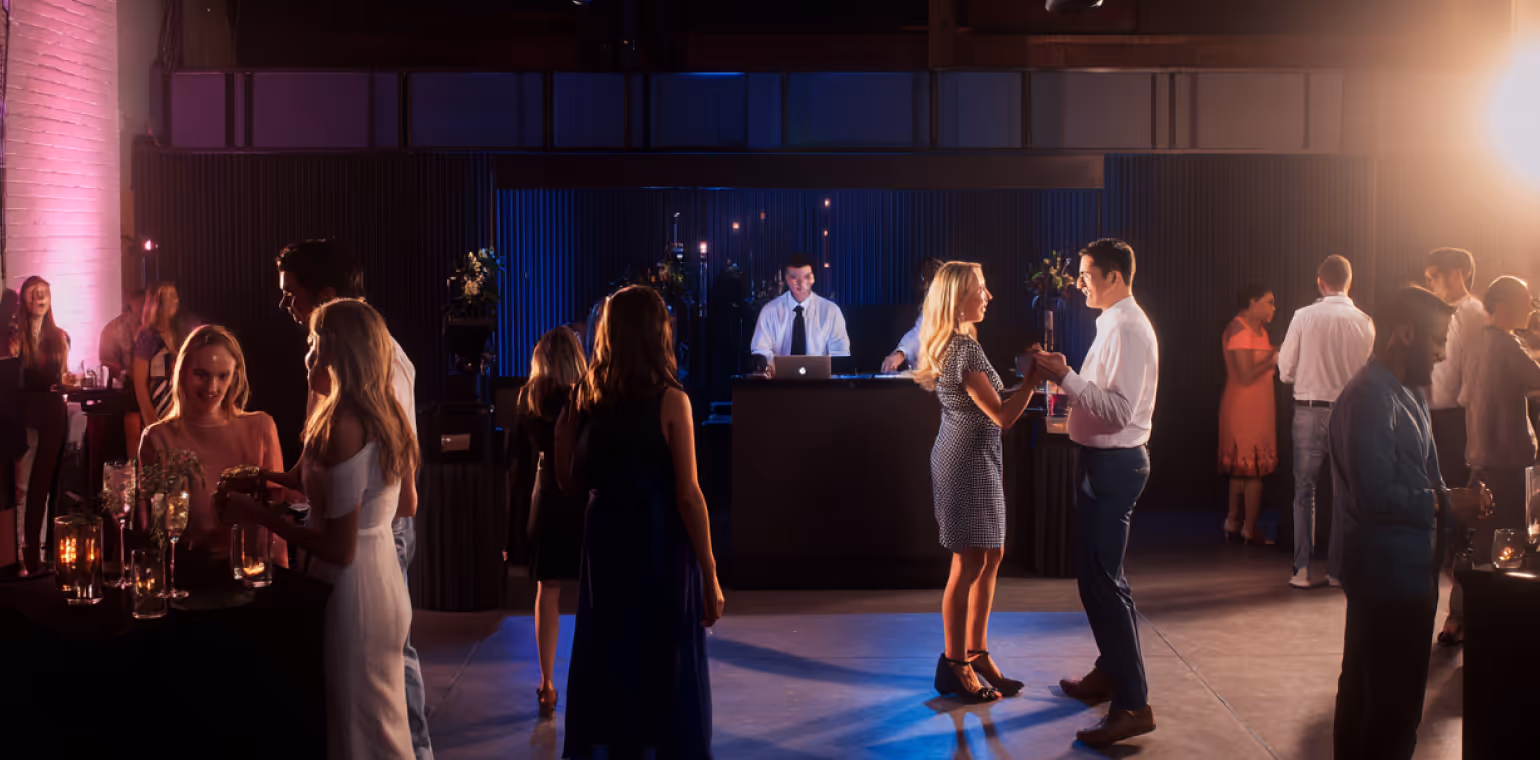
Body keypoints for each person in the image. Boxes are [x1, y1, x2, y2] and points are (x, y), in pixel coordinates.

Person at [216, 299, 418, 759]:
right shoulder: (386, 414)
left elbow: (338, 547)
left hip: (354, 590)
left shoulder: (345, 423)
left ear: (335, 352)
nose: (306, 354)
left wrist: (256, 514)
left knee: (358, 730)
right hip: (385, 574)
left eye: (312, 343)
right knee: (382, 720)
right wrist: (263, 477)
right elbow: (406, 502)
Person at [275, 238, 432, 760]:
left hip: (372, 541)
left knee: (383, 697)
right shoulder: (339, 383)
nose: (287, 308)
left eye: (292, 294)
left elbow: (401, 490)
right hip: (358, 541)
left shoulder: (381, 370)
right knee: (359, 707)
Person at [555, 285, 723, 759]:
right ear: (656, 334)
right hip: (657, 541)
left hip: (604, 536)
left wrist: (560, 436)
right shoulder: (672, 400)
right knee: (663, 652)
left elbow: (569, 483)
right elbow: (689, 497)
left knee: (609, 649)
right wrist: (710, 574)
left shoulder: (583, 397)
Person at [1328, 286, 1490, 760]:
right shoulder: (1368, 398)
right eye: (1437, 340)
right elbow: (1374, 496)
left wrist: (1457, 504)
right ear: (1404, 333)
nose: (1442, 353)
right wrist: (1445, 504)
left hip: (1411, 574)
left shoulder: (1408, 393)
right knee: (1387, 711)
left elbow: (1428, 477)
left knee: (1379, 699)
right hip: (1385, 578)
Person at [1034, 239, 1160, 748]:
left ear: (1113, 276)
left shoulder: (1129, 326)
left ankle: (1132, 704)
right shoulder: (1114, 322)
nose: (1078, 282)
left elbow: (1120, 411)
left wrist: (1064, 376)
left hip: (1113, 465)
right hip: (1101, 462)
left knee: (1105, 584)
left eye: (1086, 274)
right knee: (1096, 580)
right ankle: (1110, 675)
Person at [913, 262, 1037, 702]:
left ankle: (976, 650)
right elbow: (1001, 416)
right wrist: (1033, 382)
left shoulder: (963, 343)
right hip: (964, 462)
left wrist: (1024, 385)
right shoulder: (962, 349)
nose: (988, 296)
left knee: (992, 554)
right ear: (957, 298)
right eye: (979, 290)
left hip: (976, 459)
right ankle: (955, 664)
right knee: (968, 563)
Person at [138, 325, 287, 566]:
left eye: (222, 376)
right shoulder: (157, 438)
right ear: (182, 371)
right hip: (188, 575)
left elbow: (276, 520)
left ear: (235, 376)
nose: (211, 388)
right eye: (201, 374)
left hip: (251, 572)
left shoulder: (260, 427)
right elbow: (151, 530)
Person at [1445, 277, 1540, 644]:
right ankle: (1494, 622)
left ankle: (1457, 619)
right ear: (1503, 305)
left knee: (1474, 542)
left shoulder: (1476, 344)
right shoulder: (1506, 345)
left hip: (1480, 457)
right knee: (1507, 545)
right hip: (1509, 462)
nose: (1531, 309)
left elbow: (1466, 396)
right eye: (1525, 302)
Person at [1277, 255, 1374, 589]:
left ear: (1320, 281)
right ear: (1350, 282)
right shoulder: (1365, 321)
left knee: (1305, 490)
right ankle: (1337, 571)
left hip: (1309, 408)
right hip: (1350, 412)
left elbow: (1285, 370)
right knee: (1344, 493)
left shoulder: (1304, 316)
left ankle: (1303, 569)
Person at [512, 326, 588, 719]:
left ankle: (546, 683)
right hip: (582, 496)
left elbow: (518, 469)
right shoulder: (588, 401)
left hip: (546, 503)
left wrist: (513, 532)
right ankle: (595, 679)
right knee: (594, 589)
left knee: (549, 590)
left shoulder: (529, 402)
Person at [9, 276, 71, 575]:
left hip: (52, 413)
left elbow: (62, 376)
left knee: (43, 488)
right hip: (25, 412)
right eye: (34, 294)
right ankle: (18, 554)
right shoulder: (13, 333)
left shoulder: (59, 335)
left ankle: (36, 556)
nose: (40, 298)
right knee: (21, 487)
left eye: (44, 293)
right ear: (23, 299)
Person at [1219, 284, 1279, 544]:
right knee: (1251, 470)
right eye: (1269, 302)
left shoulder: (1260, 331)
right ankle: (1249, 528)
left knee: (1242, 470)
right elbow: (1244, 375)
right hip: (1244, 407)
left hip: (1257, 405)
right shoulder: (1239, 329)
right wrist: (1274, 355)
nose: (1273, 308)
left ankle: (1235, 522)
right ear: (1253, 303)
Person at [750, 253, 850, 376]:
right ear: (786, 278)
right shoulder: (770, 311)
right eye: (794, 277)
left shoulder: (831, 311)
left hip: (821, 386)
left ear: (813, 278)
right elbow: (761, 351)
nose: (801, 283)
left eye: (806, 277)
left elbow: (840, 354)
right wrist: (771, 367)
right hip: (778, 386)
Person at [133, 282, 195, 427]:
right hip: (158, 403)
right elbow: (139, 382)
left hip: (182, 403)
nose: (175, 301)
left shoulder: (182, 332)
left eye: (175, 296)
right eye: (169, 296)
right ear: (157, 302)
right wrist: (150, 420)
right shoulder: (148, 337)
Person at [101, 288, 148, 454]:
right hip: (126, 396)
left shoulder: (158, 330)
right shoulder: (114, 329)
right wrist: (125, 372)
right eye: (139, 306)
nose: (143, 311)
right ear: (129, 306)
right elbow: (106, 362)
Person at [883, 257, 946, 373]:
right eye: (922, 278)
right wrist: (900, 352)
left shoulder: (949, 306)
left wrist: (901, 353)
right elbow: (919, 331)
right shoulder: (930, 306)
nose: (924, 285)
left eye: (926, 278)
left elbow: (920, 333)